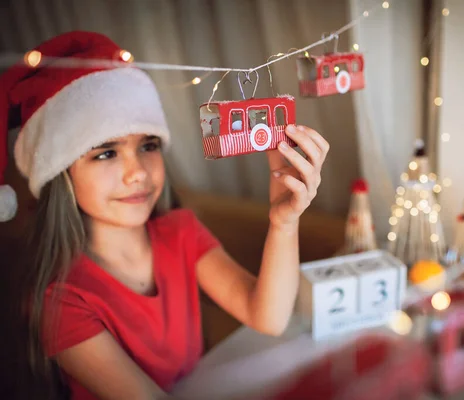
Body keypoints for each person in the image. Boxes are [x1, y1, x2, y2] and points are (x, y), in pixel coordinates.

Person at [0, 31, 329, 400]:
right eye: (106, 153)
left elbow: (269, 317)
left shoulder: (179, 231)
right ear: (60, 174)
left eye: (148, 145)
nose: (137, 172)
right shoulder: (60, 300)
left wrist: (283, 221)